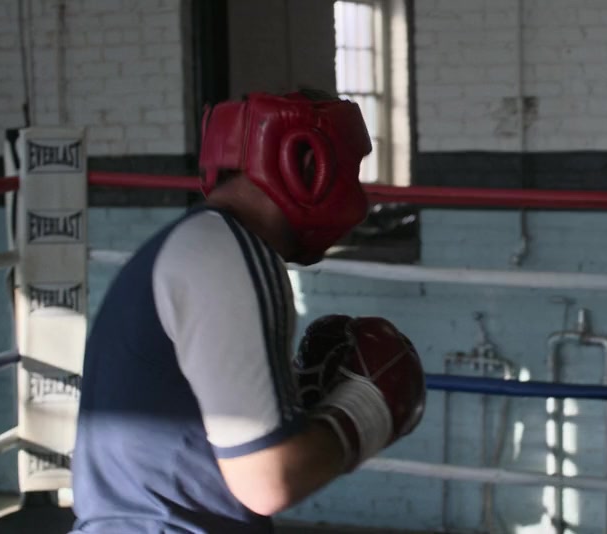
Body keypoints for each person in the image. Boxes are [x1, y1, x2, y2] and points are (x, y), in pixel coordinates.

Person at [69, 90, 427, 533]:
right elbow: (267, 480)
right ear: (306, 165)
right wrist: (367, 410)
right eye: (351, 172)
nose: (358, 195)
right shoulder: (228, 253)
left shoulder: (194, 243)